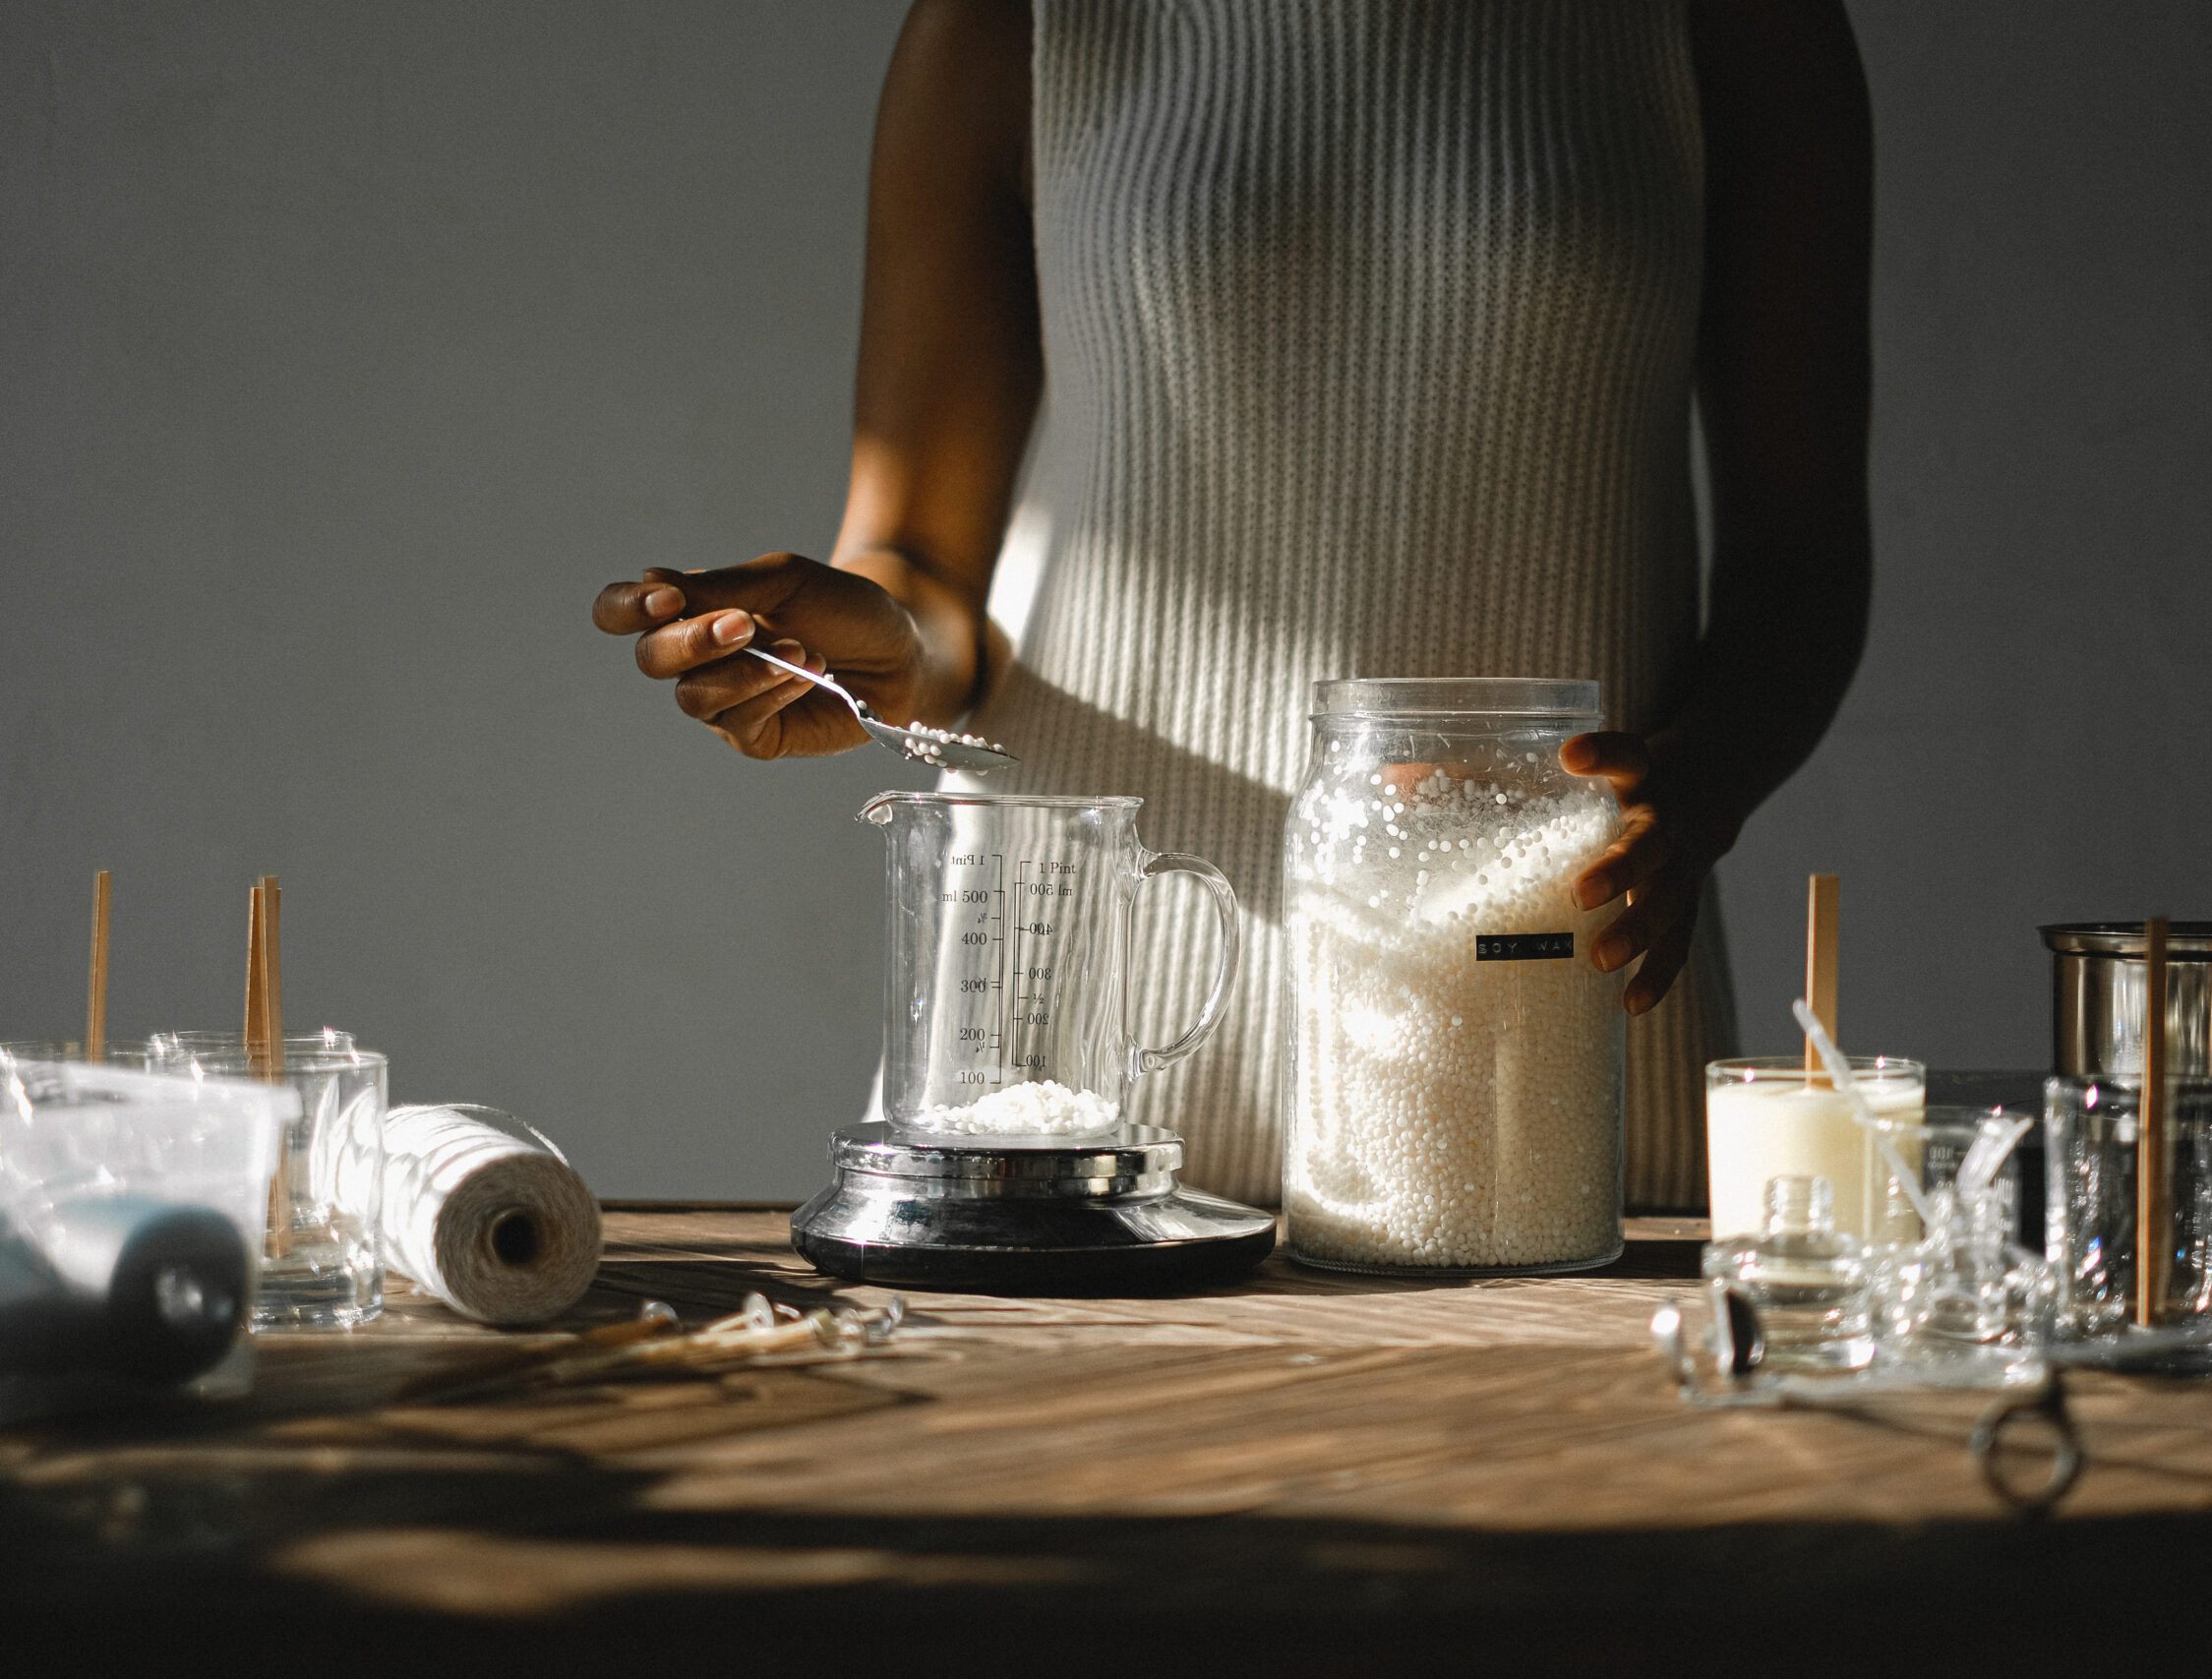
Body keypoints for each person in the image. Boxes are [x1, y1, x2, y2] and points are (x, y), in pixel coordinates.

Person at [593, 0, 1873, 1211]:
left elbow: (1800, 559)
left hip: (1537, 1016)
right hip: (1072, 1051)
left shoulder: (1725, 22)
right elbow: (921, 552)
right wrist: (878, 645)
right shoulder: (1010, 22)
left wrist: (1695, 789)